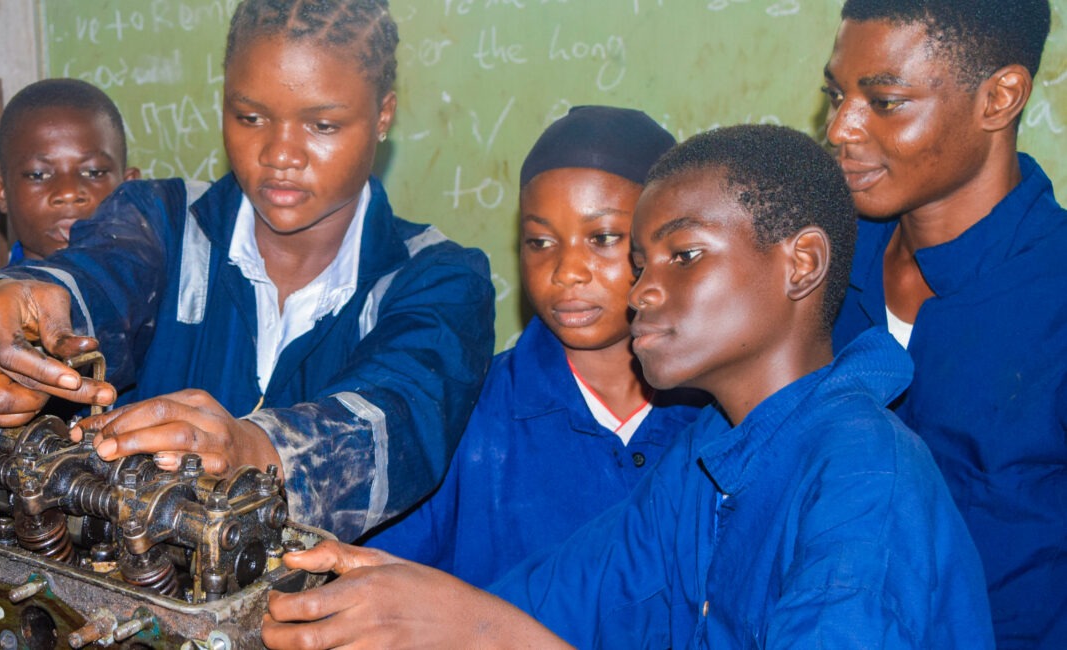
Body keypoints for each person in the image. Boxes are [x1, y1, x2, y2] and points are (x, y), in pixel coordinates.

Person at [262, 125, 994, 649]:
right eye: (642, 264)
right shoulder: (712, 456)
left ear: (800, 263)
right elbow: (564, 600)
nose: (642, 292)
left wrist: (473, 626)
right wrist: (391, 596)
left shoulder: (865, 478)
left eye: (684, 256)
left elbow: (494, 627)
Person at [0, 0, 494, 542]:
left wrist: (256, 449)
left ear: (383, 115)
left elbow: (400, 411)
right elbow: (97, 274)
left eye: (322, 124)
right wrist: (22, 308)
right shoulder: (161, 219)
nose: (280, 153)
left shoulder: (441, 278)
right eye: (250, 117)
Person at [362, 106, 703, 587]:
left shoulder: (720, 415)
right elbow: (381, 593)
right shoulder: (462, 416)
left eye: (603, 238)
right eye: (540, 242)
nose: (566, 271)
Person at [822, 1, 1064, 646]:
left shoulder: (1054, 300)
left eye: (885, 102)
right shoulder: (811, 266)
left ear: (999, 98)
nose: (841, 128)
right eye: (836, 95)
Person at [0, 78, 140, 264]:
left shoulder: (159, 276)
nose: (69, 193)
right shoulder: (3, 284)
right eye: (38, 175)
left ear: (129, 187)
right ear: (1, 192)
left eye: (94, 173)